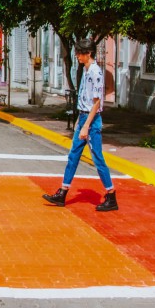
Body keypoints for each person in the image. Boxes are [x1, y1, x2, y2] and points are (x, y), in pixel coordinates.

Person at [43, 39, 118, 212]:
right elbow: (85, 98)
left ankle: (111, 195)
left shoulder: (95, 72)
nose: (77, 56)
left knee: (98, 159)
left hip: (92, 121)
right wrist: (79, 120)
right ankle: (62, 192)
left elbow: (97, 102)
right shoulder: (86, 70)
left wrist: (86, 126)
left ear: (88, 53)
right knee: (73, 156)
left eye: (79, 53)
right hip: (84, 118)